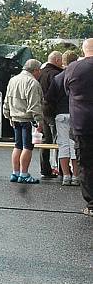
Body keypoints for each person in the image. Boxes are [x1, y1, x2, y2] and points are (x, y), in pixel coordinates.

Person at [63, 39, 93, 216]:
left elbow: (67, 89)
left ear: (83, 50)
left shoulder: (73, 68)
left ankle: (91, 205)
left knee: (87, 165)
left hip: (82, 124)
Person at [2, 59, 44, 184]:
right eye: (39, 70)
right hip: (28, 120)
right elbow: (34, 105)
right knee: (27, 147)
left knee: (17, 145)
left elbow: (7, 100)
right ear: (35, 70)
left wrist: (8, 115)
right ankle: (24, 174)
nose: (40, 73)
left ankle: (15, 173)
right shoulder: (33, 83)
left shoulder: (13, 80)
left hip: (15, 118)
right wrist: (39, 121)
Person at [44, 50, 80, 186]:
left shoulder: (58, 78)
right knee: (74, 145)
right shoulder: (79, 76)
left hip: (60, 114)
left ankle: (66, 175)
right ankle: (76, 176)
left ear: (63, 62)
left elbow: (49, 98)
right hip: (76, 113)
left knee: (63, 145)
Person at [38, 51, 64, 179]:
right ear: (57, 60)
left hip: (42, 109)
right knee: (58, 140)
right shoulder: (56, 74)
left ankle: (45, 168)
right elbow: (58, 94)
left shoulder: (40, 73)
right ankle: (61, 168)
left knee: (45, 140)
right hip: (53, 110)